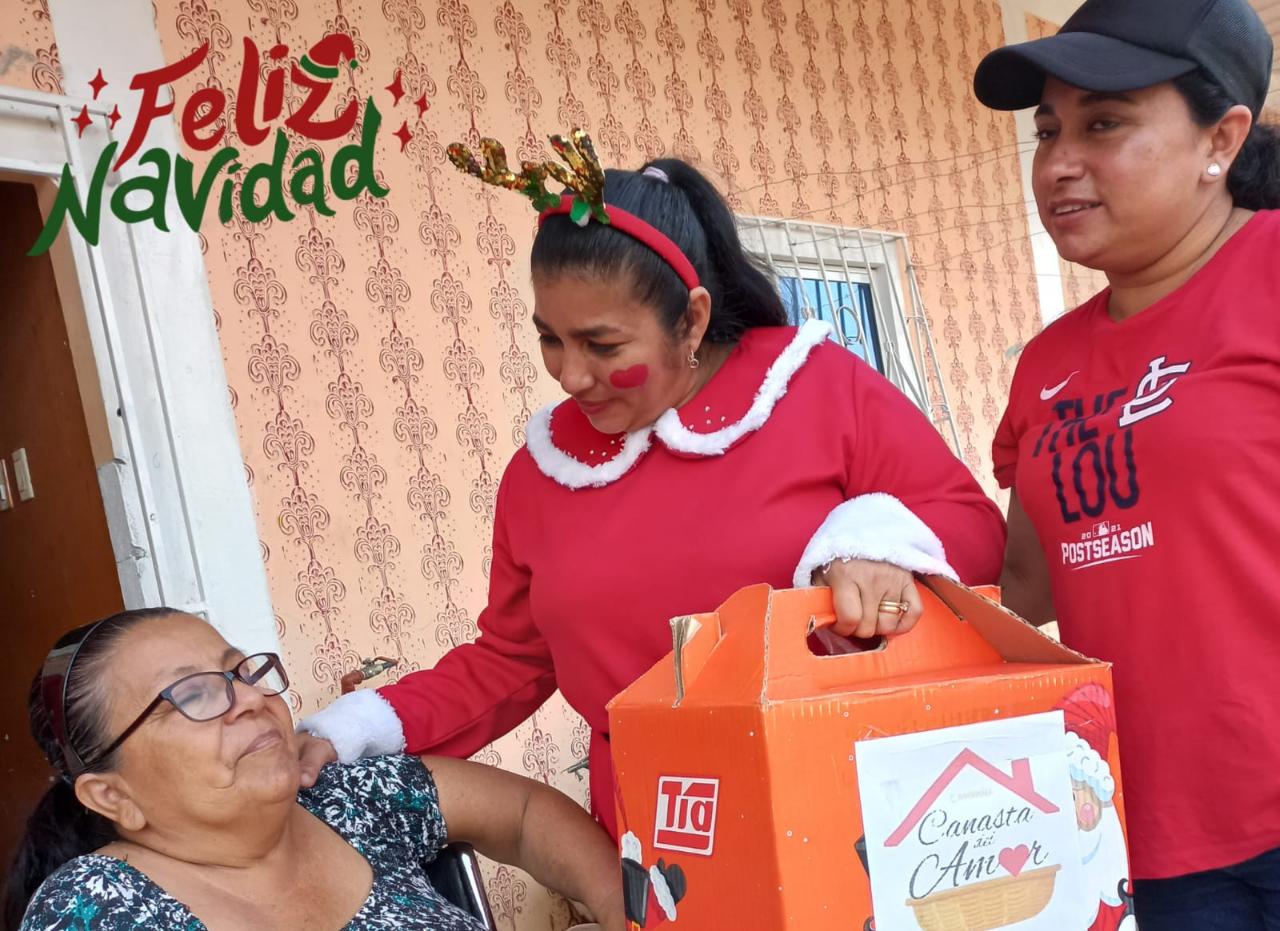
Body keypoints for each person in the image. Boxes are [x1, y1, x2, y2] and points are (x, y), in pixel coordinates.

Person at [297, 143, 1007, 839]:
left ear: (691, 318)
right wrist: (356, 729)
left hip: (855, 800)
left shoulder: (815, 387)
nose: (570, 375)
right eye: (550, 339)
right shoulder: (542, 474)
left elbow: (973, 530)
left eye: (602, 346)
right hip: (662, 823)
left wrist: (874, 545)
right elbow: (510, 661)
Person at [975, 0, 1280, 927]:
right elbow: (1024, 588)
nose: (1059, 163)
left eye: (1104, 124)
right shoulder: (1046, 365)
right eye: (1048, 132)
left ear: (1221, 138)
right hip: (1129, 830)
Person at [6, 608, 624, 930]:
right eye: (193, 695)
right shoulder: (95, 909)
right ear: (112, 796)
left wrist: (621, 909)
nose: (251, 698)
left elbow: (524, 813)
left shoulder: (344, 799)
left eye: (241, 671)